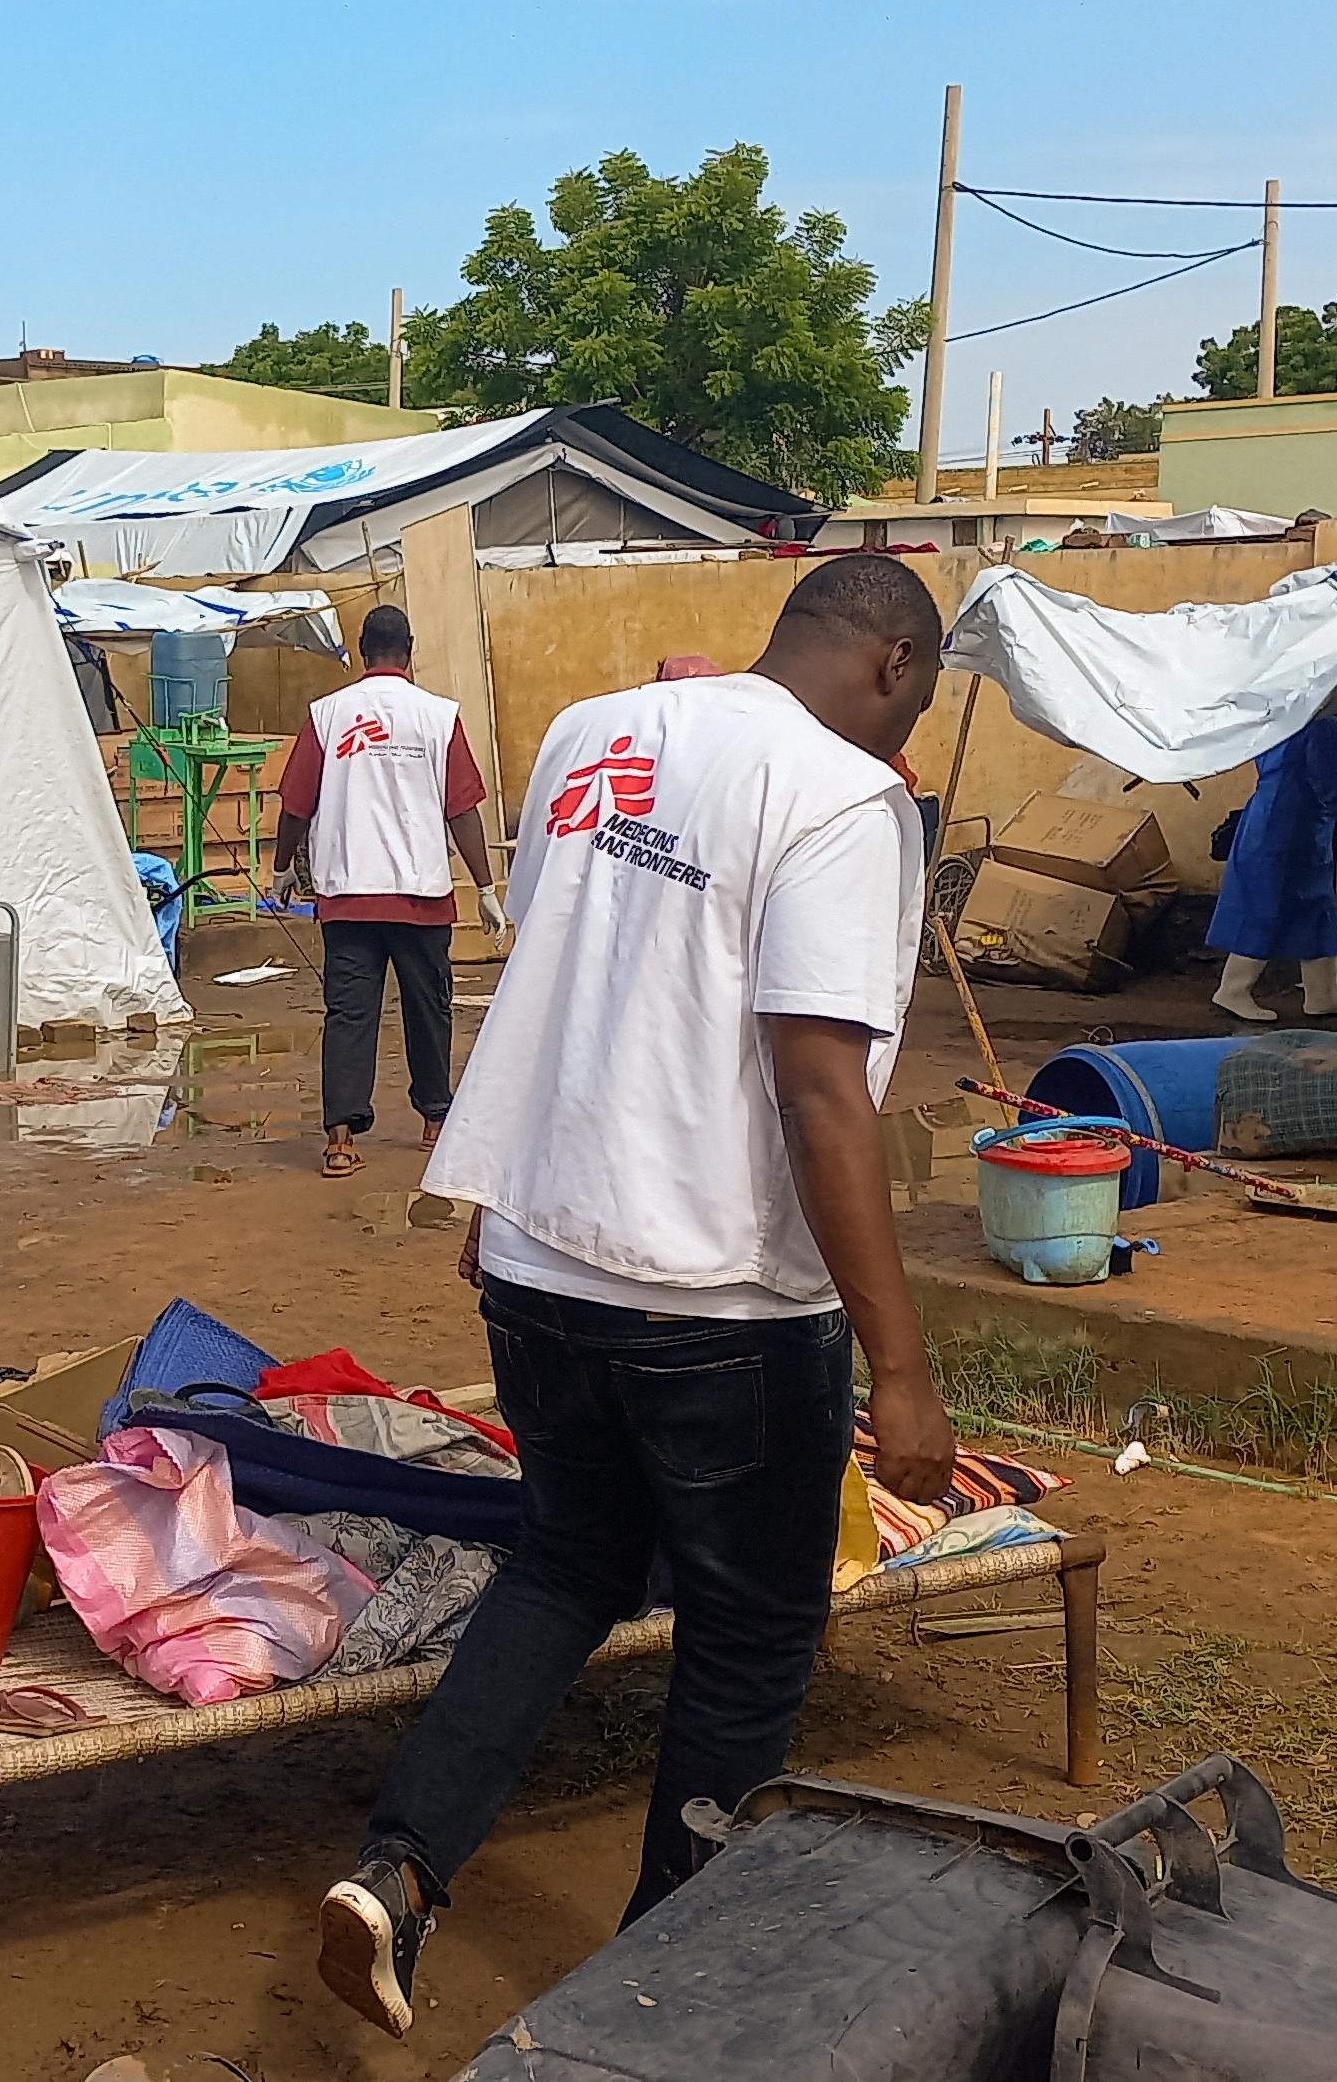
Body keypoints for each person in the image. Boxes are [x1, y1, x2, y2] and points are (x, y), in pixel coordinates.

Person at [315, 556, 962, 2038]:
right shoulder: (845, 799)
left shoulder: (594, 734)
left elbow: (571, 974)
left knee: (564, 1569)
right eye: (916, 694)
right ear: (890, 663)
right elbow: (819, 1090)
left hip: (540, 1265)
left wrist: (493, 1196)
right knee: (747, 1632)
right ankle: (655, 1988)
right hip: (714, 1305)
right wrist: (901, 1366)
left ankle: (398, 1874)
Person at [269, 606, 509, 1178]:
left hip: (348, 896)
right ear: (411, 648)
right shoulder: (437, 716)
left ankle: (340, 1139)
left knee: (349, 1014)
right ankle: (434, 1120)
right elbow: (463, 809)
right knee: (429, 1009)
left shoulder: (325, 715)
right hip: (422, 895)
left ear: (359, 648)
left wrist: (282, 869)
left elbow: (295, 804)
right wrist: (485, 886)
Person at [1206, 707, 1337, 1021]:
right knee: (1267, 905)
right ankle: (1233, 989)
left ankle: (1323, 993)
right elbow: (1329, 785)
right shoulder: (1328, 728)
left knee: (1315, 908)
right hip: (1290, 827)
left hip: (1278, 820)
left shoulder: (1290, 717)